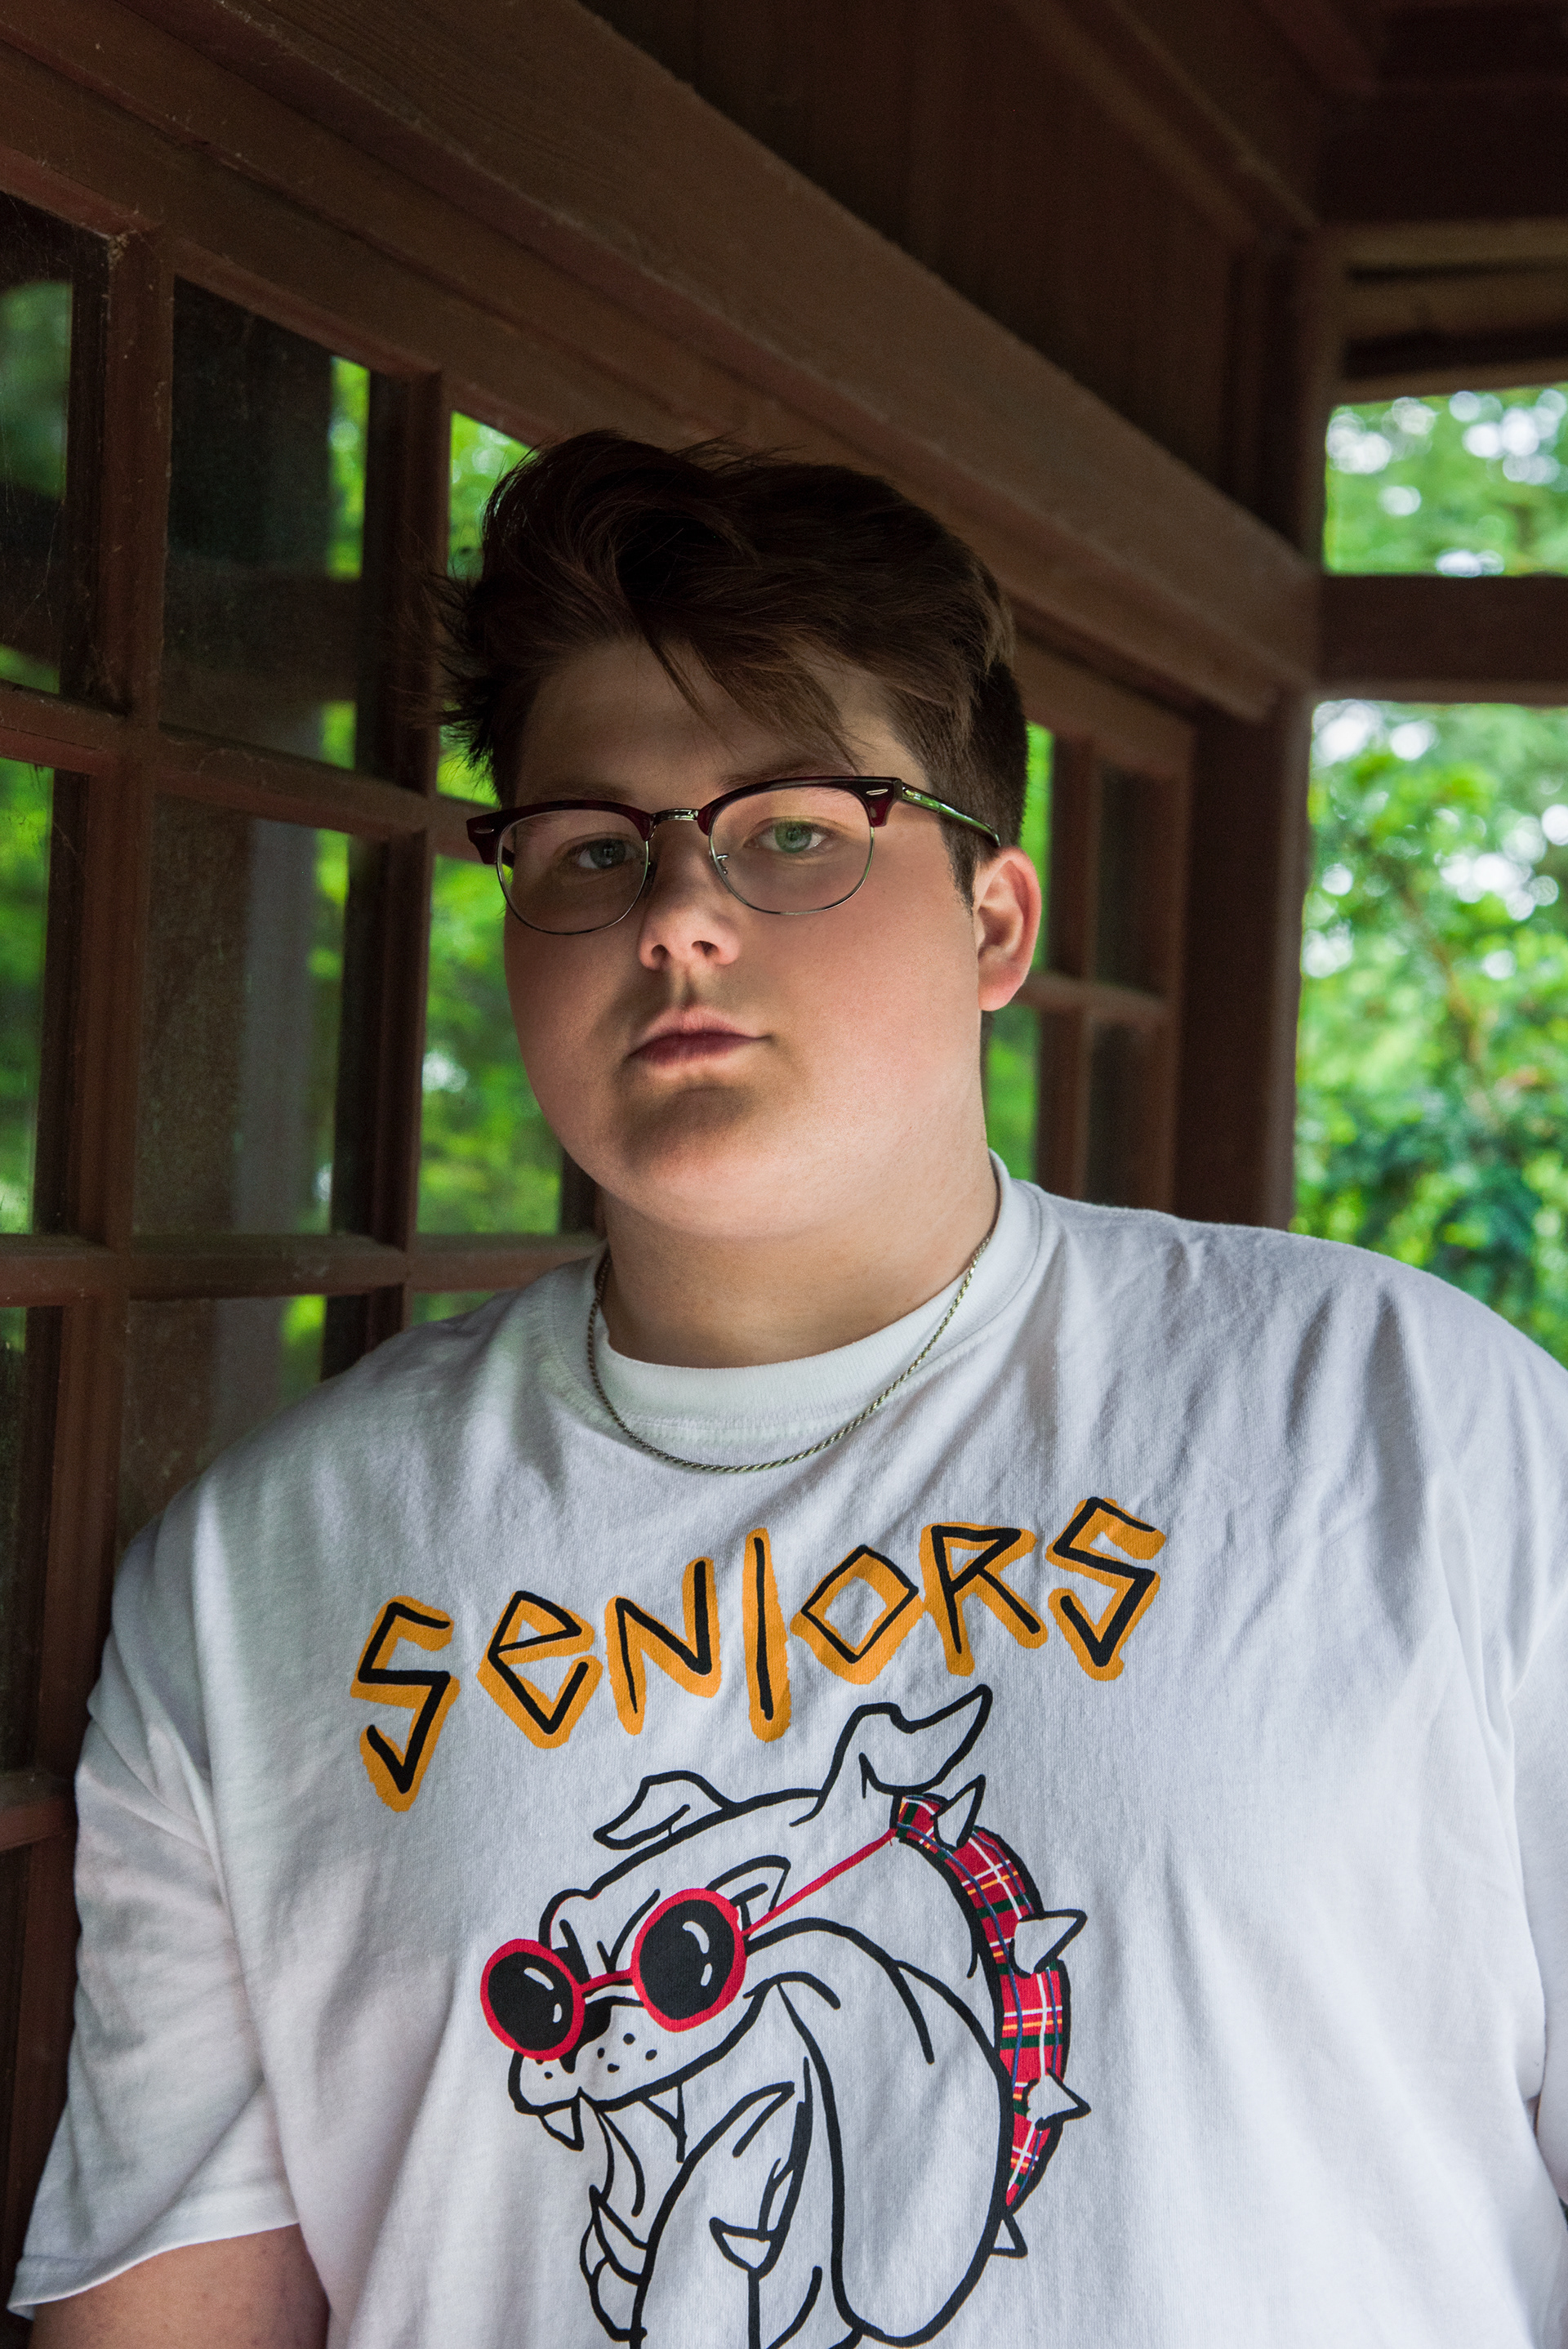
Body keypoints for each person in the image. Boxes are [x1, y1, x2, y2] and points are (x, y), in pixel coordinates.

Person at [11, 430, 1568, 2349]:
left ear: (993, 922)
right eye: (594, 848)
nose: (676, 911)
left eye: (794, 830)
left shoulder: (1410, 1426)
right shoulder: (262, 1575)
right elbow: (174, 2312)